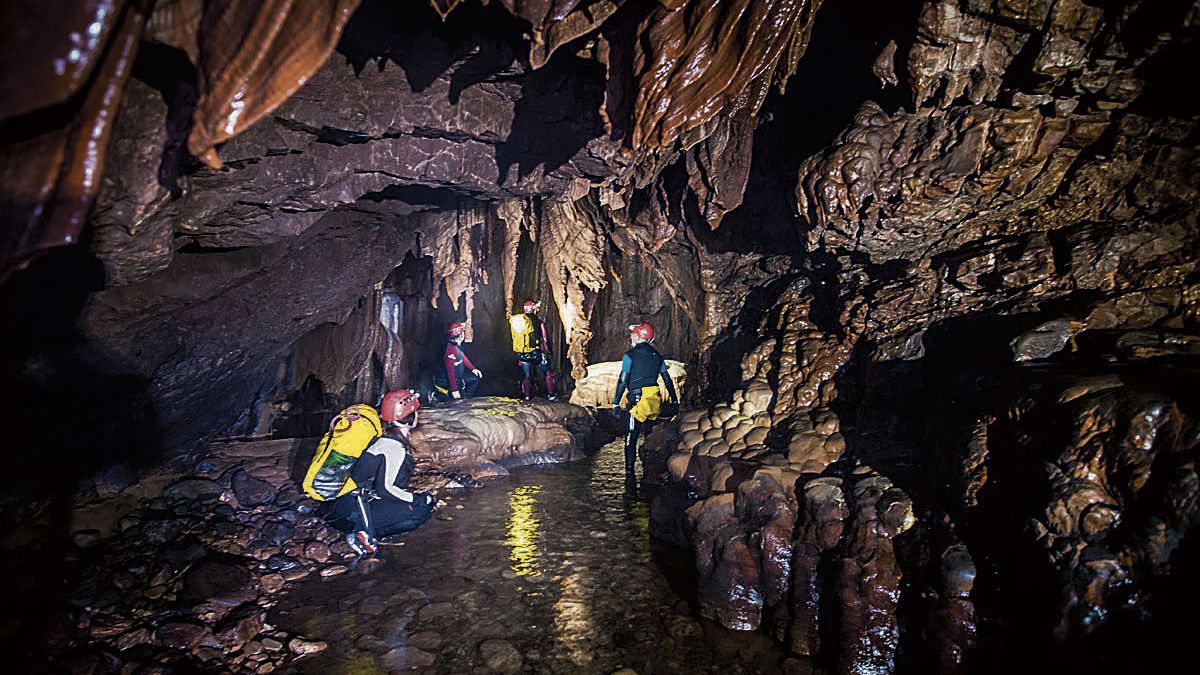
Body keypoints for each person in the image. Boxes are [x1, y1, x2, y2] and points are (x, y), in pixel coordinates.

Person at [331, 389, 435, 555]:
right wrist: (417, 499)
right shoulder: (393, 447)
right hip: (351, 512)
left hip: (343, 504)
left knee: (413, 503)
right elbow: (385, 489)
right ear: (409, 417)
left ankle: (366, 528)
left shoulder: (384, 439)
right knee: (420, 511)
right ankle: (362, 534)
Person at [612, 322, 678, 477]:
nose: (631, 336)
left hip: (637, 400)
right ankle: (650, 472)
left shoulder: (630, 356)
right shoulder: (657, 356)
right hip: (654, 400)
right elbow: (667, 380)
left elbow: (623, 380)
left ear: (638, 335)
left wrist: (616, 402)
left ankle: (630, 473)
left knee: (631, 436)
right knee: (650, 437)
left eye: (633, 334)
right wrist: (674, 401)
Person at [509, 299, 557, 401]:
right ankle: (551, 395)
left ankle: (526, 396)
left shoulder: (519, 322)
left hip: (522, 354)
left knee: (526, 376)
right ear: (534, 308)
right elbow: (544, 339)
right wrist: (548, 352)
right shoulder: (538, 322)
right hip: (536, 353)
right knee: (548, 372)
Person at [432, 321, 483, 402]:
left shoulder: (454, 344)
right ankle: (457, 398)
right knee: (459, 400)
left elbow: (462, 357)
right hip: (447, 382)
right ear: (461, 335)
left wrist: (473, 369)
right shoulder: (450, 349)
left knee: (474, 378)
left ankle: (465, 397)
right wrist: (454, 390)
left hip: (457, 378)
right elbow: (450, 372)